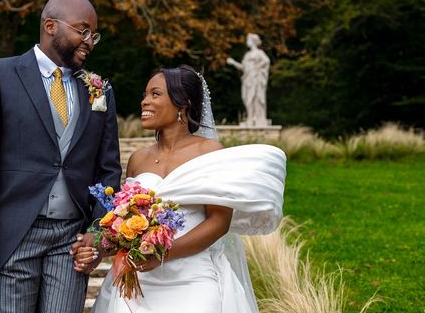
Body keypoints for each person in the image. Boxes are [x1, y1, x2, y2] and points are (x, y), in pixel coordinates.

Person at [73, 65, 286, 312]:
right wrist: (99, 247)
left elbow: (219, 222)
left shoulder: (210, 152)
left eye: (155, 94)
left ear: (182, 104)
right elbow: (122, 223)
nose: (144, 102)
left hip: (193, 279)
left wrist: (162, 254)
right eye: (145, 95)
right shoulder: (137, 159)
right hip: (139, 283)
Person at [0, 0, 122, 313]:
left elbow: (109, 170)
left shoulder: (99, 89)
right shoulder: (0, 75)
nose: (89, 41)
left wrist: (96, 229)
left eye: (94, 35)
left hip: (70, 240)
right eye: (83, 30)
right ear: (51, 26)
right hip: (14, 234)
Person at [227, 33, 271, 127]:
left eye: (248, 40)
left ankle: (257, 118)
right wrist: (233, 63)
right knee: (246, 98)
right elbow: (243, 67)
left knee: (255, 97)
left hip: (255, 78)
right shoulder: (247, 55)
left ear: (253, 42)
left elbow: (266, 61)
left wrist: (256, 68)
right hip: (247, 79)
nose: (247, 42)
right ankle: (250, 117)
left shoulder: (259, 53)